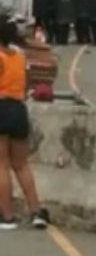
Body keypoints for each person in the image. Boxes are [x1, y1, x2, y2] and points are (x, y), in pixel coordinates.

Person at [0, 15, 49, 229]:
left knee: (1, 165)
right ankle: (36, 211)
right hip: (19, 109)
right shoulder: (19, 56)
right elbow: (26, 84)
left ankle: (6, 215)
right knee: (21, 164)